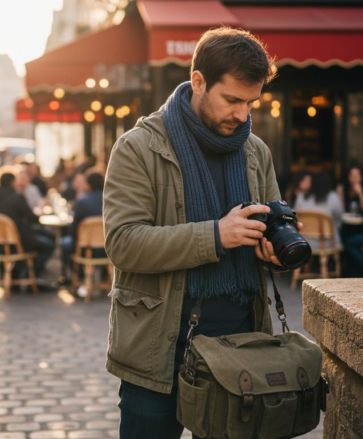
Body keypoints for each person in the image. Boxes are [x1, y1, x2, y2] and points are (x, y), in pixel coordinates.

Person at [103, 27, 301, 438]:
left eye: (251, 103)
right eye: (232, 100)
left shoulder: (255, 151)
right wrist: (216, 235)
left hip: (243, 350)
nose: (243, 115)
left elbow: (272, 226)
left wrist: (273, 251)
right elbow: (123, 243)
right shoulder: (137, 148)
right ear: (198, 82)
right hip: (159, 354)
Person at [0, 172, 55, 276]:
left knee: (46, 235)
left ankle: (16, 272)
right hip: (17, 240)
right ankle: (30, 275)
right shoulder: (16, 197)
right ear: (12, 182)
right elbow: (31, 217)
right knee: (48, 245)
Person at [61, 171, 105, 287]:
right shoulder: (110, 200)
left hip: (86, 249)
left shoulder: (83, 201)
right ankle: (104, 278)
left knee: (65, 243)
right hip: (108, 249)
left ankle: (79, 276)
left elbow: (74, 229)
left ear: (88, 185)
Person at [295, 172, 344, 248]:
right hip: (329, 243)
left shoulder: (301, 197)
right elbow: (339, 217)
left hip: (305, 242)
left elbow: (296, 217)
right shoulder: (333, 197)